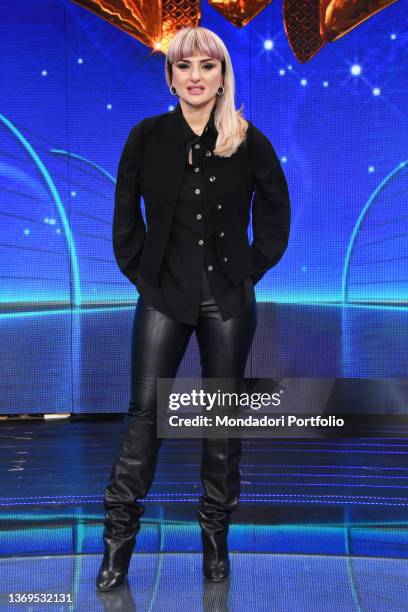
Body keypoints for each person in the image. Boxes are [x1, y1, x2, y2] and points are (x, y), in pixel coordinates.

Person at [96, 26, 290, 591]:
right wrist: (143, 275)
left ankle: (215, 546)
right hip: (164, 294)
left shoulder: (247, 139)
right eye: (185, 67)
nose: (196, 76)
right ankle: (116, 549)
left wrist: (248, 270)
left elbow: (276, 213)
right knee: (145, 415)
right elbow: (125, 217)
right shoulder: (146, 137)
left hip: (228, 299)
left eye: (207, 66)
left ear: (222, 75)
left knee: (220, 420)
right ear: (171, 77)